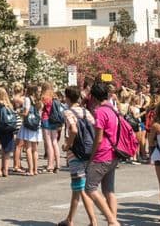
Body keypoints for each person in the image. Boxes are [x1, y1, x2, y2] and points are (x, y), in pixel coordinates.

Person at [58, 86, 98, 226]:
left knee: (81, 188)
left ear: (67, 97)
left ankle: (93, 221)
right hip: (89, 151)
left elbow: (73, 130)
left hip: (76, 153)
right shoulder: (86, 111)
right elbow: (96, 127)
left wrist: (67, 145)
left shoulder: (68, 112)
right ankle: (69, 219)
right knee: (77, 187)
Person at [85, 82, 121, 226]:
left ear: (93, 97)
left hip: (103, 154)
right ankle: (113, 221)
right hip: (114, 153)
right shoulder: (113, 109)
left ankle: (112, 221)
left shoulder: (100, 112)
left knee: (90, 187)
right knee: (109, 190)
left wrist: (91, 157)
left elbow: (98, 138)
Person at [18, 85, 42, 176]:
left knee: (28, 147)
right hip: (36, 125)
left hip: (28, 125)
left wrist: (18, 112)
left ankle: (30, 170)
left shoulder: (28, 99)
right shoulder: (39, 100)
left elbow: (26, 113)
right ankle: (35, 169)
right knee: (35, 148)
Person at [40, 82, 61, 173]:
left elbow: (40, 108)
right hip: (54, 121)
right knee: (54, 142)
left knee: (48, 143)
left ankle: (50, 165)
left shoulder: (44, 97)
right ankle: (58, 164)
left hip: (46, 120)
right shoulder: (55, 96)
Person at [11, 82, 27, 173]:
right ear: (21, 90)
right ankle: (17, 165)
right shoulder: (20, 99)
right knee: (19, 145)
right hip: (19, 121)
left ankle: (17, 164)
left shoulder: (12, 98)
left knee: (17, 145)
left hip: (14, 121)